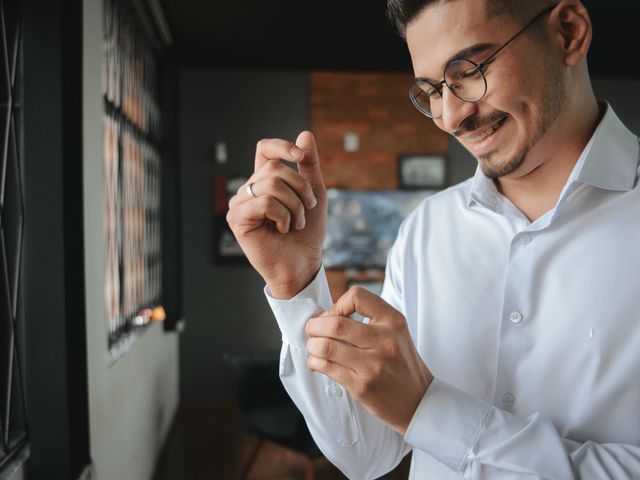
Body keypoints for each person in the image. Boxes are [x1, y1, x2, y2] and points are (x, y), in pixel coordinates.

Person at [226, 0, 640, 477]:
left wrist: (432, 412)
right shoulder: (426, 229)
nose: (450, 116)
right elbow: (368, 455)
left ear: (568, 33)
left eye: (470, 69)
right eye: (432, 90)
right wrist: (295, 283)